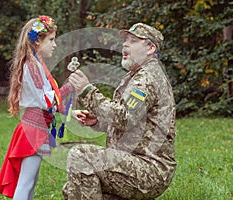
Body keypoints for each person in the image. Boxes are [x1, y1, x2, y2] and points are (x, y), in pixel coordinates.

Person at [63, 23, 177, 200]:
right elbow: (132, 121)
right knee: (74, 187)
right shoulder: (137, 75)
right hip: (135, 164)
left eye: (133, 41)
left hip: (149, 170)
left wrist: (87, 90)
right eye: (125, 40)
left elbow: (124, 117)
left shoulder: (146, 79)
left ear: (150, 48)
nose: (125, 45)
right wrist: (99, 122)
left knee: (81, 156)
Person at [0, 15, 83, 199]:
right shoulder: (33, 66)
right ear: (37, 42)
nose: (54, 44)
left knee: (30, 181)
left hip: (37, 127)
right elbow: (46, 100)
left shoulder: (36, 64)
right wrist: (69, 86)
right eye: (51, 39)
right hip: (33, 129)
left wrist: (71, 112)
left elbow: (48, 102)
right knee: (26, 183)